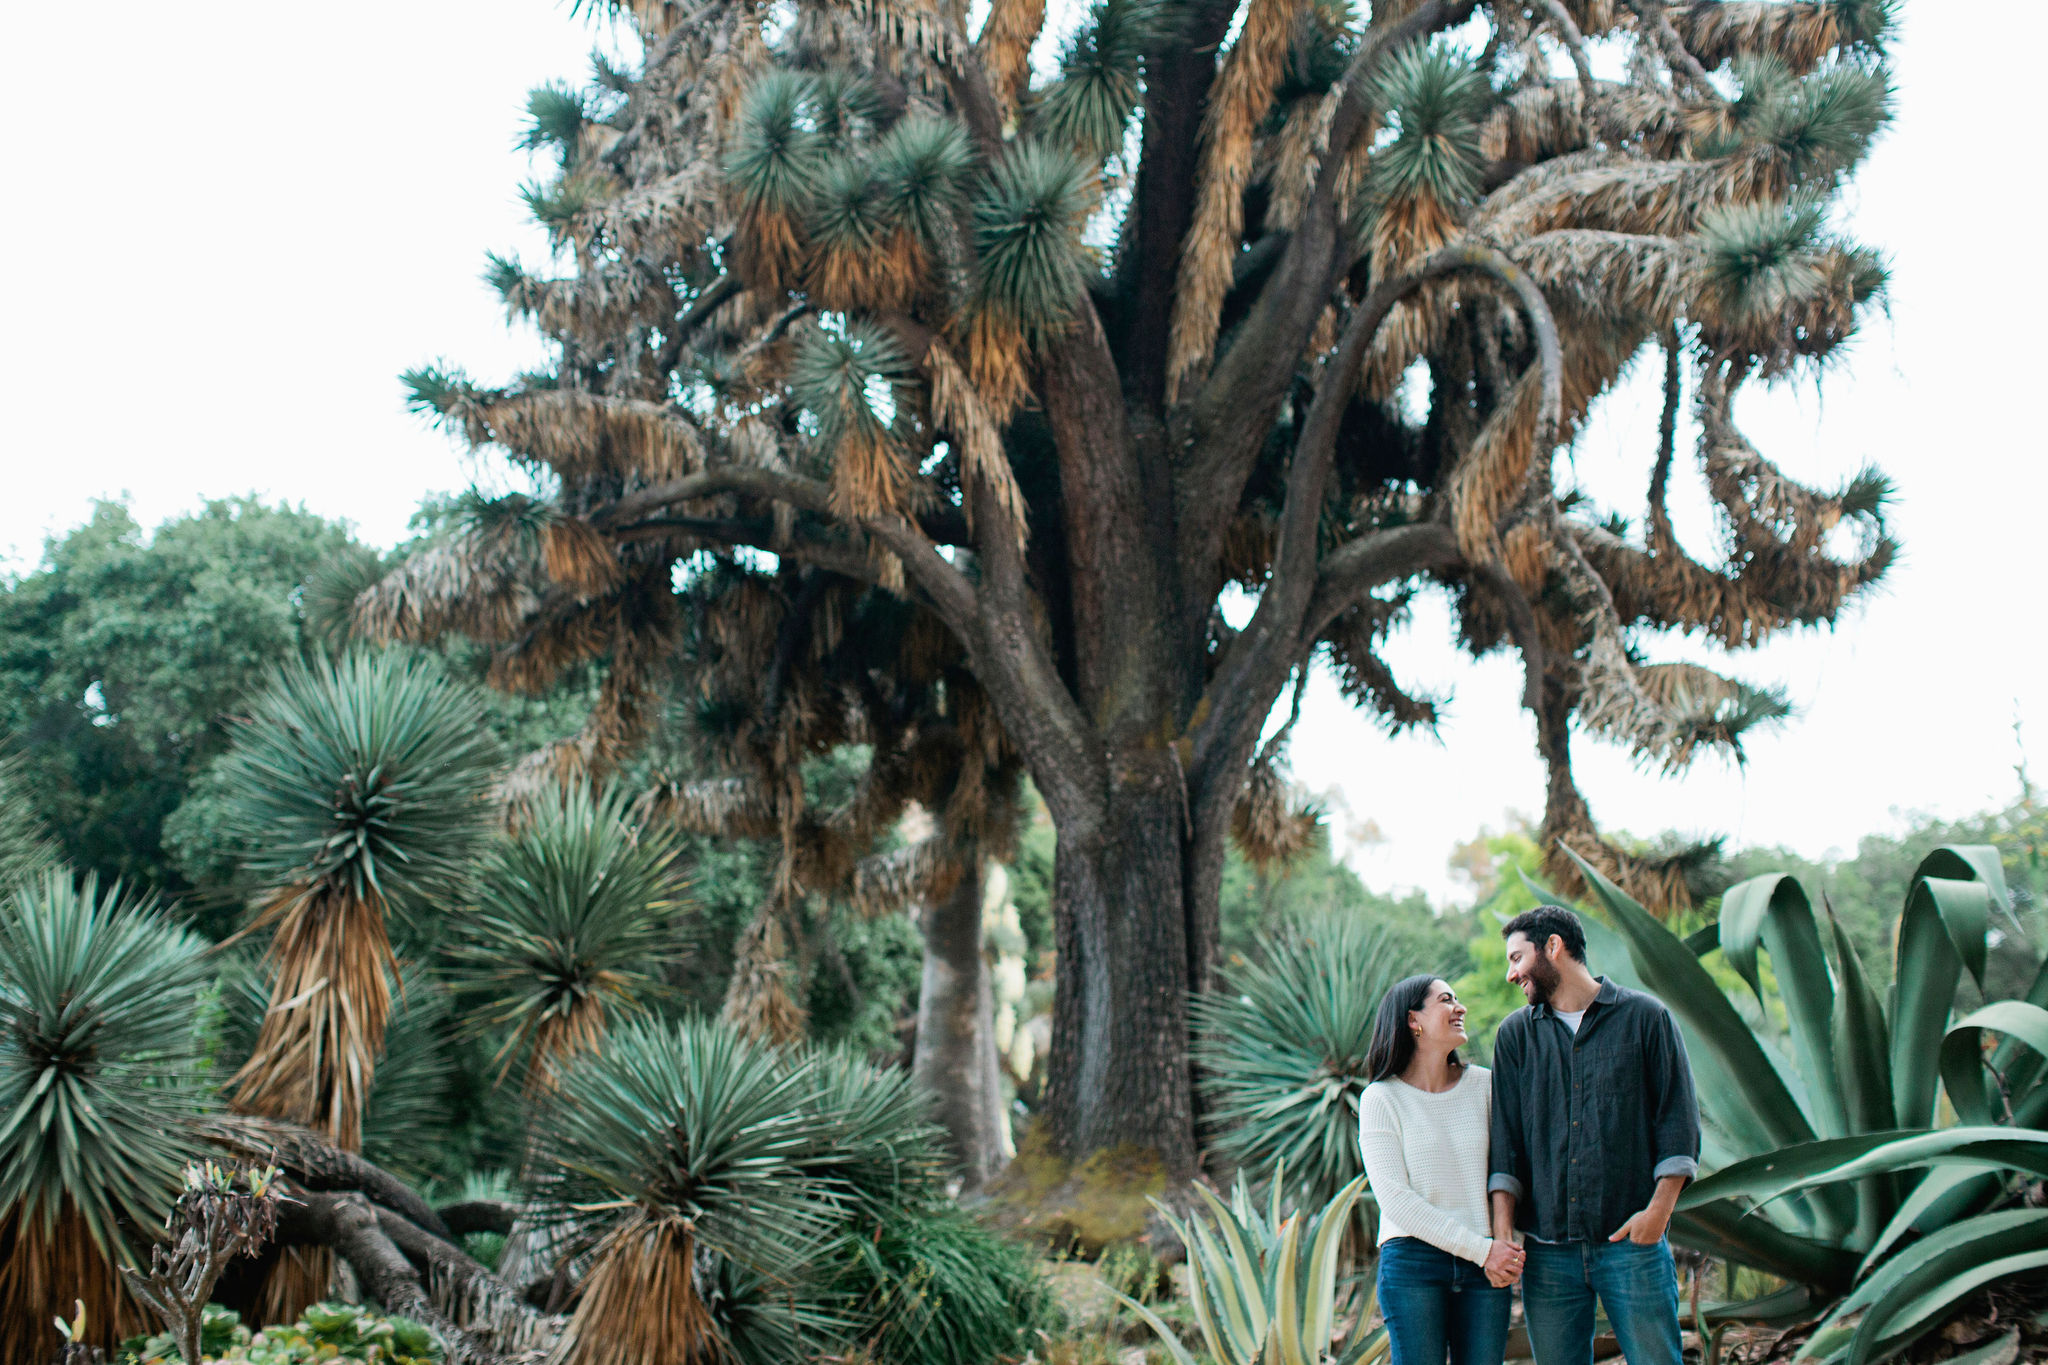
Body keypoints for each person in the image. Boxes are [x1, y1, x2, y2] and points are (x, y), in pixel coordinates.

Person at [1486, 905, 1701, 1365]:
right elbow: (1506, 1142)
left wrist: (1655, 1217)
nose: (1511, 973)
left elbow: (1678, 1123)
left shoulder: (1647, 1018)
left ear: (1553, 947)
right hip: (1547, 1253)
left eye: (1516, 957)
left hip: (1632, 1245)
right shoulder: (1514, 1037)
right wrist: (1504, 1232)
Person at [1358, 974, 1525, 1365]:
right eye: (1447, 999)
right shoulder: (1381, 1099)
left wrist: (1499, 1244)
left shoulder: (1486, 1084)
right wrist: (1483, 1250)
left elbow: (1507, 1166)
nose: (1460, 1007)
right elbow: (1396, 1202)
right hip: (1414, 1264)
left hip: (1486, 1268)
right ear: (1413, 1019)